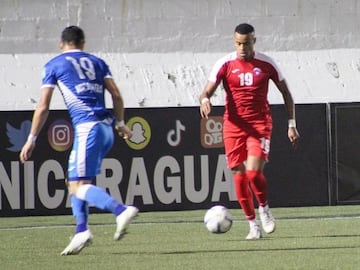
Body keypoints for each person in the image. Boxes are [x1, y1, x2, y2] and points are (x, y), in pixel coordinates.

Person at [19, 25, 139, 255]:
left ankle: (120, 210)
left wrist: (31, 138)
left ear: (60, 43)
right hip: (106, 130)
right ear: (83, 43)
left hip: (87, 128)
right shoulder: (97, 62)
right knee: (75, 182)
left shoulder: (55, 64)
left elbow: (43, 106)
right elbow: (116, 95)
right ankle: (82, 230)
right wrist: (121, 123)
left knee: (78, 185)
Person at [199, 23, 300, 240]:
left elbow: (286, 94)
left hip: (259, 124)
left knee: (253, 172)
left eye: (245, 43)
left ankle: (264, 208)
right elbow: (205, 92)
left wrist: (291, 124)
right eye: (237, 43)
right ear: (234, 42)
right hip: (233, 126)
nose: (241, 47)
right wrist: (205, 100)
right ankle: (252, 225)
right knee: (239, 175)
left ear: (254, 41)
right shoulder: (224, 64)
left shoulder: (266, 63)